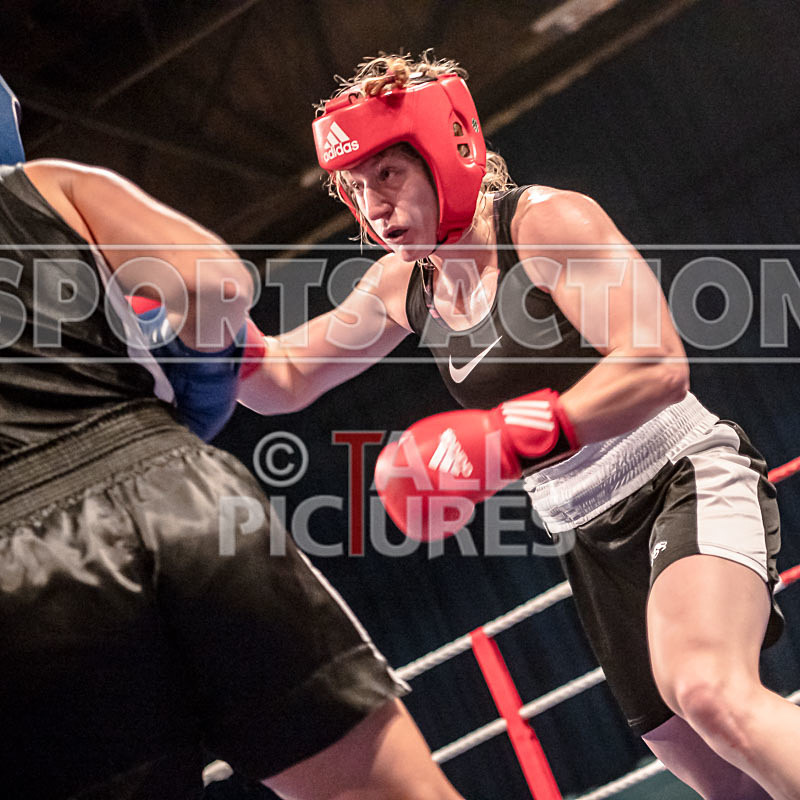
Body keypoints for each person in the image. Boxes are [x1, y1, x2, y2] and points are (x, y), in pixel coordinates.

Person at [236, 53, 800, 799]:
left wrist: (509, 436)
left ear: (450, 153)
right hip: (586, 533)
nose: (372, 206)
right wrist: (186, 332)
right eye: (355, 187)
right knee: (704, 765)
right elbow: (281, 379)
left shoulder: (546, 221)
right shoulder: (407, 283)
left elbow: (658, 365)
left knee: (708, 689)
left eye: (389, 175)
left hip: (681, 479)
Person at [0, 75, 465, 800]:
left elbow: (281, 369)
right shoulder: (49, 186)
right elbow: (216, 285)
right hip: (169, 484)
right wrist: (200, 376)